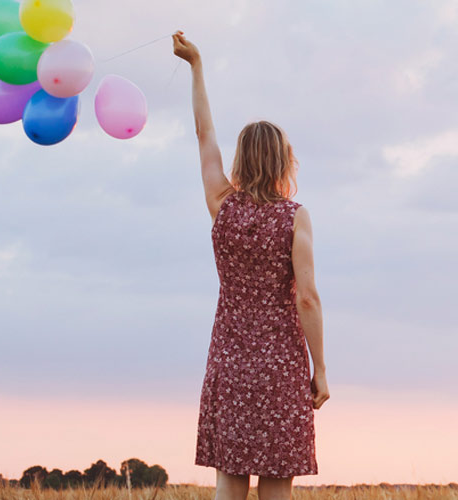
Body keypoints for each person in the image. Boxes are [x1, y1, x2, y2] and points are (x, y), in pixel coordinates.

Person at [173, 30, 329, 500]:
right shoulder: (295, 217)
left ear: (241, 159)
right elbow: (306, 297)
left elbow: (203, 133)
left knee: (230, 481)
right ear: (285, 161)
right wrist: (319, 369)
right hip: (281, 364)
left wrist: (196, 66)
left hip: (230, 359)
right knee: (277, 482)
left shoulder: (222, 204)